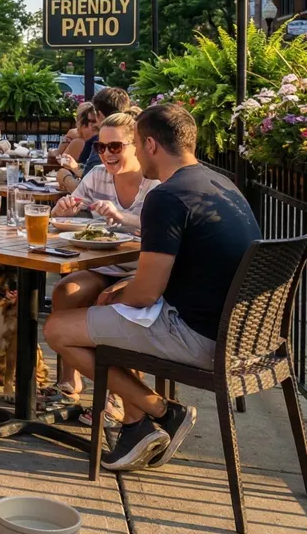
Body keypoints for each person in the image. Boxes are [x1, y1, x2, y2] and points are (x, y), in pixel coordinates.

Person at [44, 104, 260, 472]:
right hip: (243, 335)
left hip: (198, 337)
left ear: (149, 144)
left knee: (58, 330)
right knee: (104, 316)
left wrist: (114, 296)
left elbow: (144, 293)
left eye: (136, 145)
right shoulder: (223, 185)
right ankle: (136, 424)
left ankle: (161, 412)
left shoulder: (167, 196)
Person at [41, 108, 158, 424]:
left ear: (136, 145)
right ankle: (69, 383)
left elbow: (161, 230)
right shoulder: (96, 176)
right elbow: (68, 214)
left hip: (139, 271)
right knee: (66, 291)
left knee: (116, 309)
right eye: (100, 146)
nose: (106, 154)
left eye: (115, 146)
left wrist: (123, 217)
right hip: (101, 265)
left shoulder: (154, 183)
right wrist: (62, 210)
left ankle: (118, 397)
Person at [57, 87, 132, 192]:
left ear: (99, 115)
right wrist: (77, 168)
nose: (107, 152)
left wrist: (65, 177)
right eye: (100, 147)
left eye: (115, 146)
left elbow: (87, 189)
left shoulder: (100, 141)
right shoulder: (133, 137)